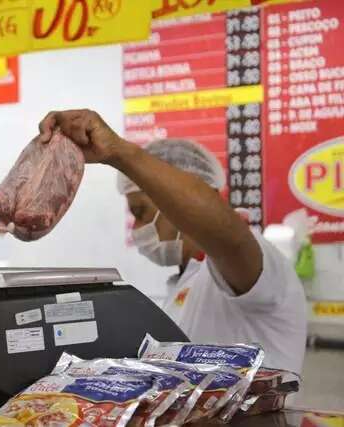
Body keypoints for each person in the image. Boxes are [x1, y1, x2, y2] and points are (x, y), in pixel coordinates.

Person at [38, 109, 307, 374]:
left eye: (140, 212)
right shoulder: (183, 282)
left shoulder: (255, 265)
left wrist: (120, 152)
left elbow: (231, 240)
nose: (137, 228)